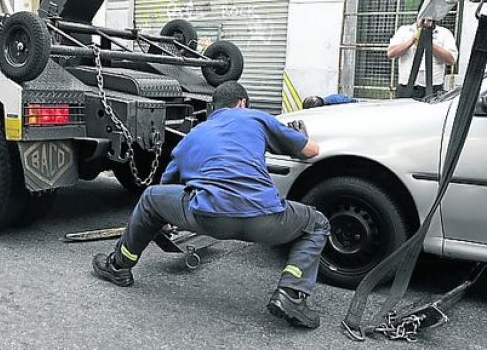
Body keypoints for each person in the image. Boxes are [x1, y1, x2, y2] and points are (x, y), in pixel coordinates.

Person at [92, 81, 330, 329]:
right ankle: (291, 293)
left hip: (208, 217)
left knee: (151, 197)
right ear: (242, 103)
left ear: (212, 109)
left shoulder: (192, 136)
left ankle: (119, 265)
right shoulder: (255, 118)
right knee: (318, 224)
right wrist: (298, 138)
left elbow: (166, 185)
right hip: (265, 218)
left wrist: (162, 222)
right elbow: (310, 151)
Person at [387, 17, 458, 99]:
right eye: (423, 19)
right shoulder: (404, 31)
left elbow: (451, 60)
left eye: (430, 20)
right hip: (406, 87)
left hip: (434, 88)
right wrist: (412, 40)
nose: (426, 23)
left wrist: (429, 43)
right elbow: (391, 53)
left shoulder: (444, 33)